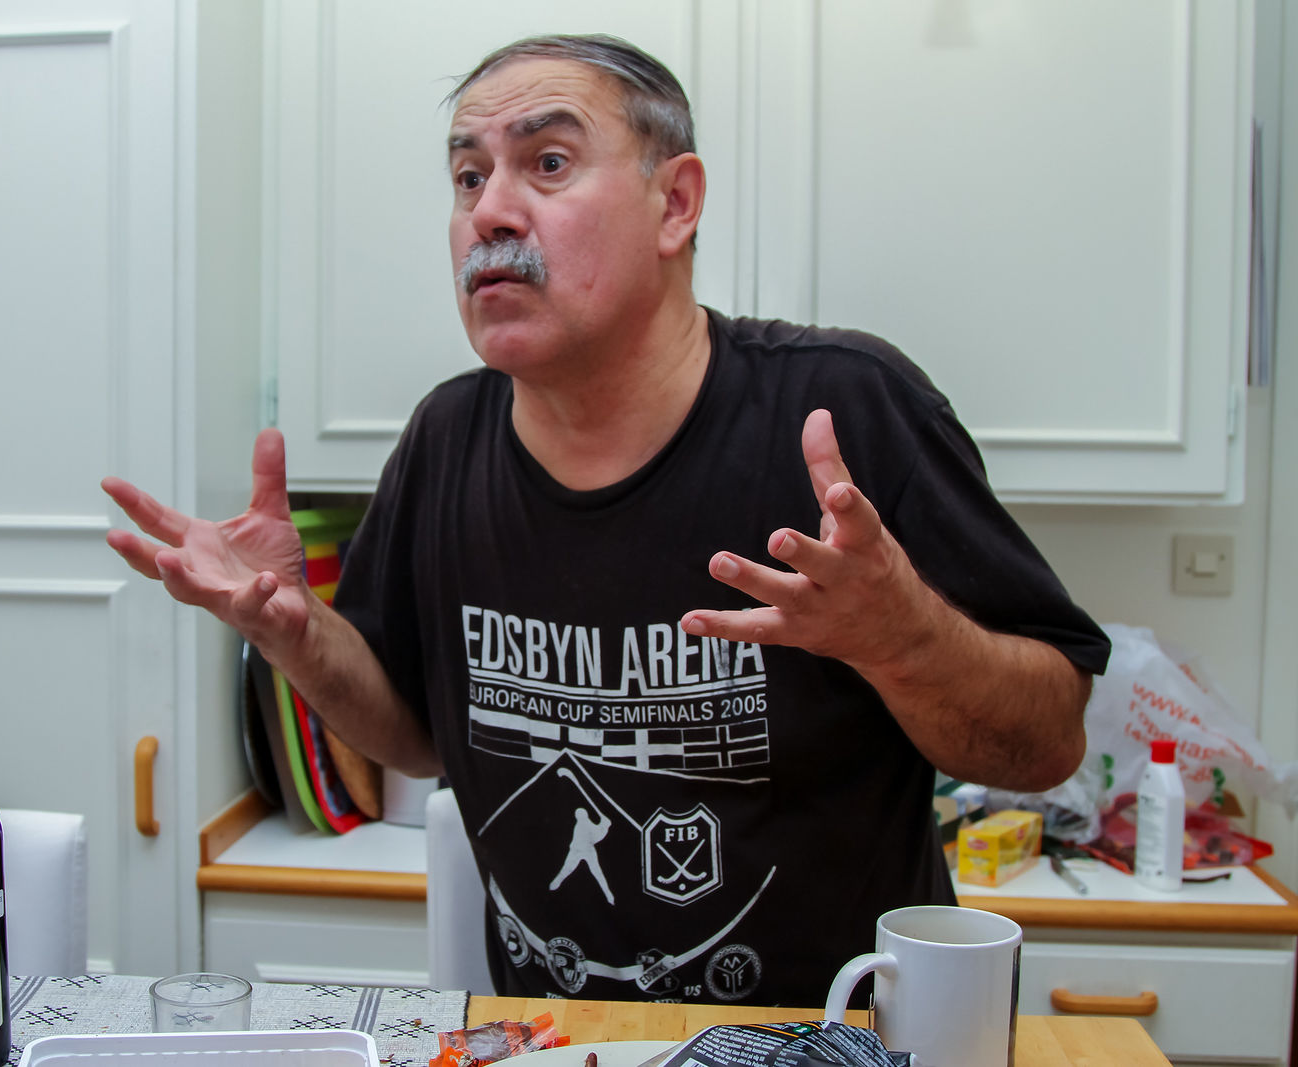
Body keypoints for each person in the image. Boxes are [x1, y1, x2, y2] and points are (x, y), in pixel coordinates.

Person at [104, 34, 1110, 1005]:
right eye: (466, 177)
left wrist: (902, 638)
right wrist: (299, 635)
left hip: (832, 1035)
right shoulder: (445, 438)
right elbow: (416, 741)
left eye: (547, 163)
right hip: (561, 1037)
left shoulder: (843, 411)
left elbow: (1045, 746)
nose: (489, 211)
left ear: (675, 203)